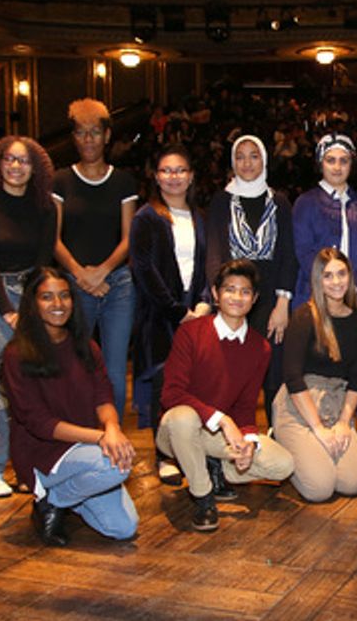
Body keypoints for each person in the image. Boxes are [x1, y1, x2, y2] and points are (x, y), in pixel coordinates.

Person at [2, 267, 139, 546]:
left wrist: (112, 427)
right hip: (44, 453)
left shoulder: (86, 347)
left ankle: (61, 497)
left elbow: (103, 396)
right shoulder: (16, 355)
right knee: (116, 467)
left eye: (64, 296)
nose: (58, 304)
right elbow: (39, 423)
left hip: (83, 449)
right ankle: (53, 497)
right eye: (47, 297)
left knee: (124, 528)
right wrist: (101, 437)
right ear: (32, 303)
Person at [157, 259, 295, 532]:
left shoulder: (260, 348)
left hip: (217, 436)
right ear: (216, 294)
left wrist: (249, 443)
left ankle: (214, 464)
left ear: (254, 299)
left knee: (283, 465)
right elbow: (171, 394)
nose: (237, 297)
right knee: (184, 419)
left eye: (245, 291)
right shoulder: (191, 333)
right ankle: (203, 495)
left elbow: (245, 407)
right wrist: (221, 420)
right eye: (230, 289)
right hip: (176, 430)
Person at [0, 136, 57, 497]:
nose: (16, 167)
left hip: (35, 293)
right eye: (10, 160)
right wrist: (8, 310)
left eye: (24, 161)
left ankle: (28, 467)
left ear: (35, 168)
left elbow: (44, 260)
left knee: (38, 382)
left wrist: (34, 307)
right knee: (4, 382)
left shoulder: (45, 207)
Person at [130, 145, 210, 486]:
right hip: (160, 314)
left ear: (191, 176)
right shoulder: (146, 217)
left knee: (194, 383)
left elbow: (209, 264)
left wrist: (205, 302)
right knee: (164, 382)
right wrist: (178, 312)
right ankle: (164, 454)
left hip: (198, 310)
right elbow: (144, 270)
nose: (173, 177)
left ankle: (191, 448)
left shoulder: (200, 217)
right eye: (166, 170)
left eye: (180, 170)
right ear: (156, 176)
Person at [53, 99, 138, 415]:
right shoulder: (61, 180)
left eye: (94, 132)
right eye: (81, 132)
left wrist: (101, 272)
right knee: (75, 366)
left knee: (115, 370)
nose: (88, 139)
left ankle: (111, 439)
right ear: (74, 137)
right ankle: (79, 439)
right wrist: (80, 274)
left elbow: (129, 238)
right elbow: (54, 239)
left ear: (107, 136)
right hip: (74, 283)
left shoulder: (123, 181)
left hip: (117, 284)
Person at [206, 134, 297, 427]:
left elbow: (287, 254)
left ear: (264, 160)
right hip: (233, 297)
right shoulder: (221, 201)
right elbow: (214, 250)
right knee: (230, 373)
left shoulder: (280, 202)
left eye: (254, 155)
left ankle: (276, 438)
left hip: (270, 299)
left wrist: (283, 303)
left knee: (274, 374)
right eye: (241, 156)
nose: (247, 162)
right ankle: (229, 442)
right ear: (233, 162)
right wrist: (220, 297)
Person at [292, 133, 357, 416]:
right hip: (314, 294)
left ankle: (352, 419)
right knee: (314, 358)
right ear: (321, 163)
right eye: (331, 160)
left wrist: (355, 288)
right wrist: (328, 285)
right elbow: (304, 249)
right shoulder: (305, 203)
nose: (337, 167)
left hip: (355, 295)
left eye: (343, 161)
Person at [274, 249, 357, 501]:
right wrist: (318, 428)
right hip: (301, 405)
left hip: (336, 404)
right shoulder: (305, 316)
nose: (336, 282)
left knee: (352, 483)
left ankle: (316, 451)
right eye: (328, 276)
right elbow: (293, 377)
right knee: (320, 489)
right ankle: (287, 441)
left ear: (350, 276)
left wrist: (342, 423)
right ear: (318, 279)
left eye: (341, 274)